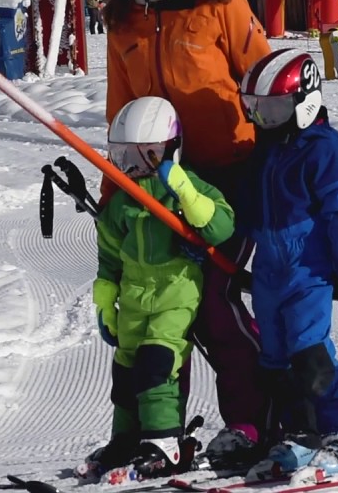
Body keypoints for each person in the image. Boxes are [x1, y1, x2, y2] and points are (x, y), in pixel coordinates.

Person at [104, 0, 273, 466]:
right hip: (157, 181)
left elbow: (261, 75)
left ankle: (252, 423)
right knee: (159, 311)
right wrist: (115, 189)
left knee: (219, 307)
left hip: (229, 171)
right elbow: (120, 105)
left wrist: (282, 153)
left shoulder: (219, 0)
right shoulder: (122, 16)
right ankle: (157, 436)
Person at [235, 49, 338, 483]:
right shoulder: (266, 149)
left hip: (308, 270)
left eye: (274, 110)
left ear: (304, 101)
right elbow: (245, 211)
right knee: (275, 360)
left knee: (310, 352)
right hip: (269, 271)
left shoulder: (324, 150)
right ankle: (302, 434)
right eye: (255, 110)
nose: (264, 120)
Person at [87, 96, 237, 478]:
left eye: (147, 156)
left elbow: (220, 226)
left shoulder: (184, 188)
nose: (135, 168)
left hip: (176, 293)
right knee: (125, 370)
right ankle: (125, 438)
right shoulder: (121, 203)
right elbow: (108, 259)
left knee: (157, 364)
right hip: (135, 297)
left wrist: (185, 191)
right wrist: (106, 303)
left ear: (171, 149)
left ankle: (162, 441)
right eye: (124, 157)